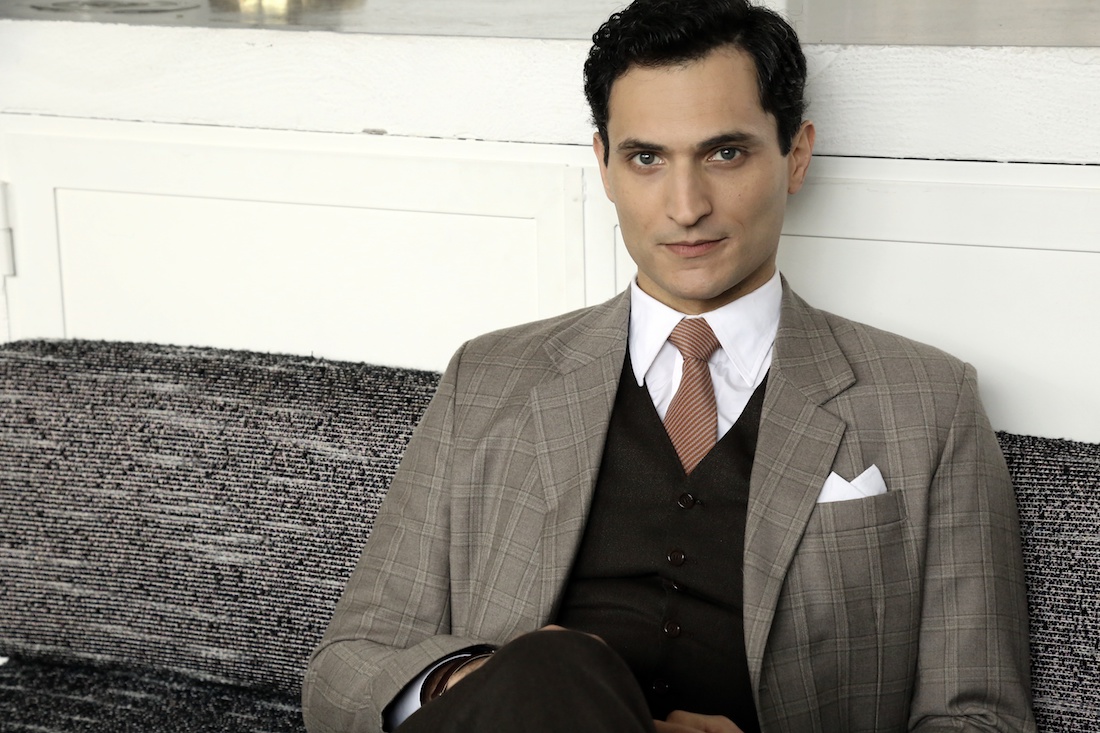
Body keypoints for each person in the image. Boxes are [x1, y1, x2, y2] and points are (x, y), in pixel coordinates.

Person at [302, 1, 1035, 731]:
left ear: (796, 155)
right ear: (605, 166)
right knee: (550, 666)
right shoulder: (488, 377)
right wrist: (479, 684)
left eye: (726, 153)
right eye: (647, 158)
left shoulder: (927, 403)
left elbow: (981, 717)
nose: (686, 207)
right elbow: (345, 673)